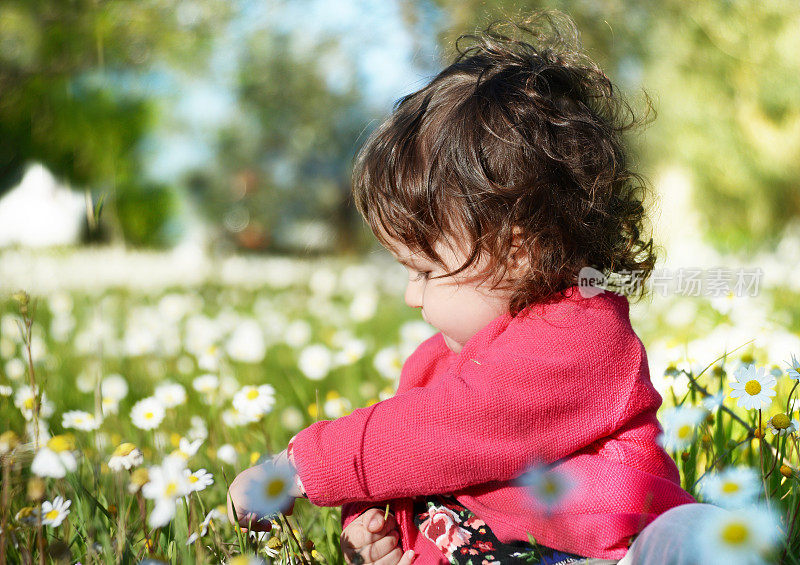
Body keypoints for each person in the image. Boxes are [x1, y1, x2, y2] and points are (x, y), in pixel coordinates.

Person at [228, 10, 698, 564]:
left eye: (425, 271)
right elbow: (406, 463)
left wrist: (299, 468)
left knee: (693, 534)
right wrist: (370, 528)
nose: (411, 295)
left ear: (517, 253)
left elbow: (453, 428)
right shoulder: (432, 365)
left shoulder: (582, 337)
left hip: (600, 552)